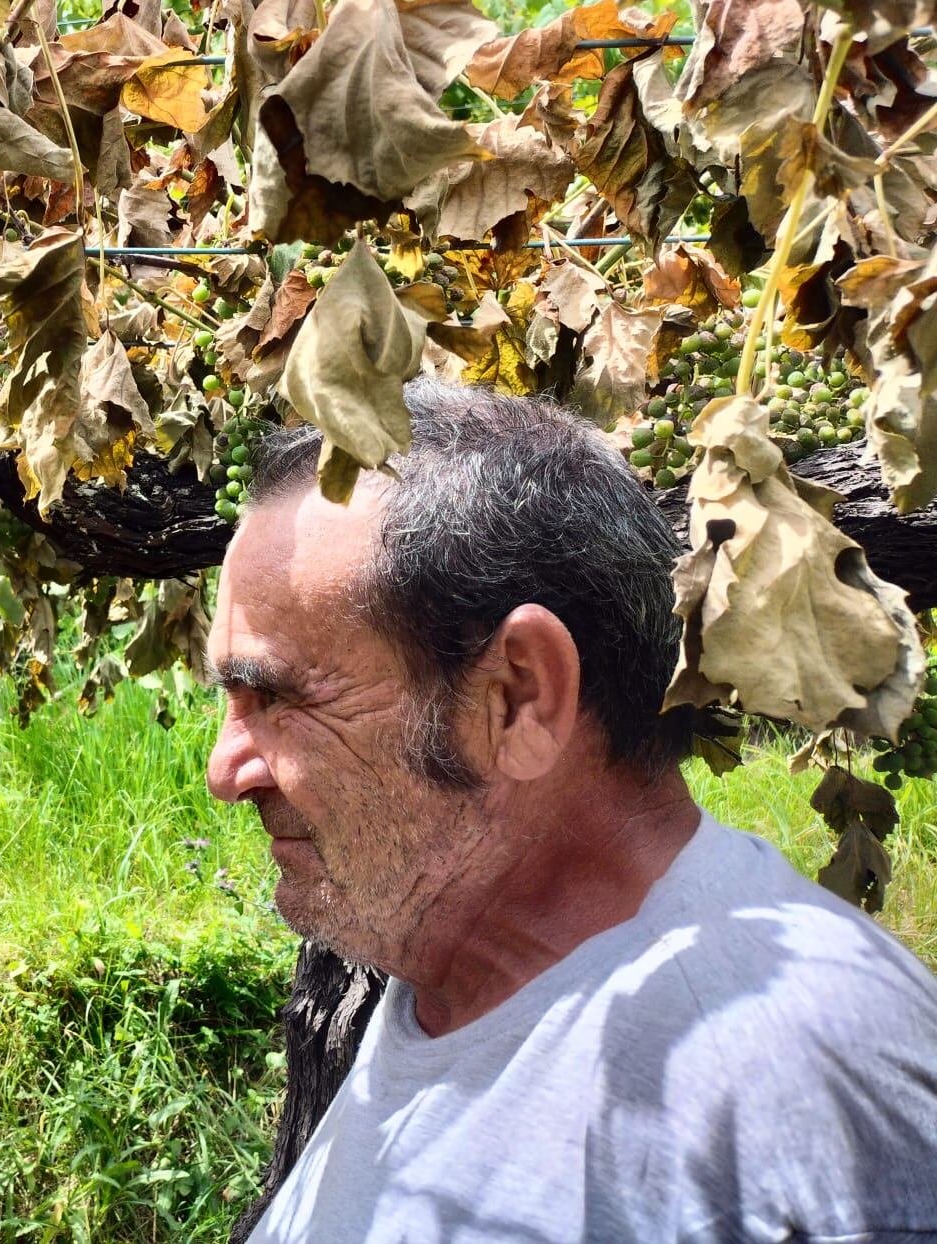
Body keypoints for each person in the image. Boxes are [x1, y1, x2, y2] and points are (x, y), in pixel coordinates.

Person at [206, 381, 937, 1243]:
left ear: (519, 697)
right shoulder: (448, 985)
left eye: (276, 697)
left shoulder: (788, 1086)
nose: (226, 770)